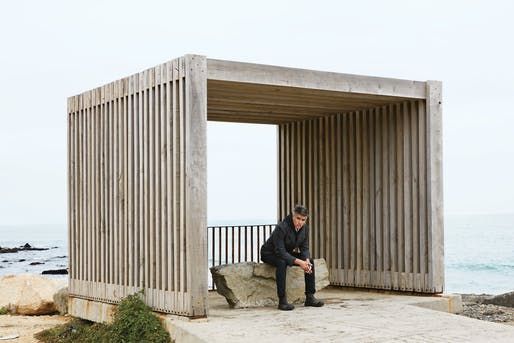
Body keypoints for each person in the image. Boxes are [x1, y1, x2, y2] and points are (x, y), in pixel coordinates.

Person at [260, 204, 324, 310]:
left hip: (286, 253)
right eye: (298, 218)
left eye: (303, 219)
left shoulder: (305, 229)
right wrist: (299, 262)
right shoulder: (282, 227)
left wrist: (306, 260)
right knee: (282, 262)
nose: (300, 222)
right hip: (270, 253)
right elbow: (280, 251)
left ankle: (310, 297)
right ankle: (282, 301)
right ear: (293, 216)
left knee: (310, 262)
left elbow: (304, 248)